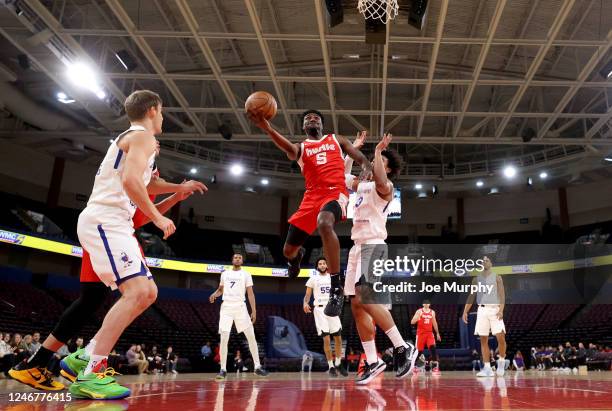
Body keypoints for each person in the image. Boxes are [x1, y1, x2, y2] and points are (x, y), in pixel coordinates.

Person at [8, 160, 201, 392]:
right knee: (139, 292)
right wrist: (177, 189)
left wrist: (174, 198)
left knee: (91, 300)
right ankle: (88, 362)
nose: (156, 143)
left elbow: (139, 217)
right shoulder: (137, 154)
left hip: (105, 228)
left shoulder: (140, 160)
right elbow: (147, 186)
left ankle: (40, 362)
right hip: (109, 229)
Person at [248, 109, 372, 318]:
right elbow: (286, 145)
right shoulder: (301, 148)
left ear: (322, 124)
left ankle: (336, 287)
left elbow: (355, 153)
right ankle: (297, 258)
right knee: (288, 251)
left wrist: (366, 164)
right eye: (307, 119)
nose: (312, 119)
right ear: (304, 127)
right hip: (311, 198)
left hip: (335, 193)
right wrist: (267, 127)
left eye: (315, 118)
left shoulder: (335, 139)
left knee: (324, 223)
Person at [343, 132, 417, 385]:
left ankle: (402, 346)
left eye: (381, 163)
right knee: (355, 305)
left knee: (366, 296)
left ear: (387, 169)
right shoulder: (363, 186)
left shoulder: (385, 189)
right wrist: (352, 149)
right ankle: (374, 362)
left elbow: (381, 178)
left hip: (373, 245)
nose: (375, 165)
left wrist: (376, 153)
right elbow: (342, 177)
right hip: (356, 247)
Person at [209, 253, 269, 380]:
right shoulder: (225, 273)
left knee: (251, 336)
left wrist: (254, 310)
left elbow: (250, 294)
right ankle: (223, 369)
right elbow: (221, 289)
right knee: (224, 338)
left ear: (242, 261)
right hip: (226, 307)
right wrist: (214, 294)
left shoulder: (246, 274)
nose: (237, 259)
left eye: (239, 258)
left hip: (241, 307)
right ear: (232, 260)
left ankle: (257, 367)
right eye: (235, 257)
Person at [462, 255, 507, 377]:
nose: (485, 262)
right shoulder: (476, 279)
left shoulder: (497, 277)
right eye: (483, 261)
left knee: (500, 337)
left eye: (487, 260)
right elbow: (471, 296)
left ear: (491, 263)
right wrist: (465, 311)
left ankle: (501, 363)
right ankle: (487, 368)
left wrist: (501, 310)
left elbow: (502, 295)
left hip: (495, 309)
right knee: (483, 340)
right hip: (481, 310)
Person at [303, 257, 347, 377]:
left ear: (327, 266)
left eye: (324, 263)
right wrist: (305, 303)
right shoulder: (313, 279)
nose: (322, 265)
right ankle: (331, 366)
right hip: (320, 309)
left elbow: (340, 290)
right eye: (320, 263)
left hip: (332, 308)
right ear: (317, 266)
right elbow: (307, 295)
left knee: (338, 338)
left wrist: (343, 294)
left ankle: (338, 363)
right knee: (326, 339)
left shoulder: (332, 278)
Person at [411, 300, 442, 375]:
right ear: (422, 304)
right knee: (419, 351)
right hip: (421, 334)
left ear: (429, 304)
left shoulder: (432, 312)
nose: (426, 304)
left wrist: (437, 333)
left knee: (433, 348)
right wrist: (417, 318)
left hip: (429, 334)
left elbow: (434, 323)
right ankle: (414, 366)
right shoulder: (419, 311)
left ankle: (434, 367)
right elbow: (412, 322)